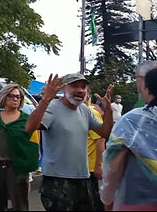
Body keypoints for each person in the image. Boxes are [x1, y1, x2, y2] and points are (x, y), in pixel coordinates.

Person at [26, 73, 114, 211]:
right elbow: (30, 127)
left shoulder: (85, 110)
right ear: (63, 88)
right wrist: (45, 100)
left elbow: (105, 133)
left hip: (83, 178)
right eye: (74, 86)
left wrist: (108, 111)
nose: (80, 90)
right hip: (57, 180)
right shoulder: (52, 107)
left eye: (83, 87)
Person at [101, 68, 157, 211]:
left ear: (146, 88)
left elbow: (113, 165)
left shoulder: (132, 121)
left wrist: (107, 198)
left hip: (136, 202)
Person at [0, 83, 40, 211]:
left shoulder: (26, 120)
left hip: (17, 168)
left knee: (20, 204)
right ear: (4, 97)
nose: (16, 99)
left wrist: (30, 165)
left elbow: (34, 145)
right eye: (12, 96)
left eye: (19, 97)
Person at [85, 92, 105, 211]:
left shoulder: (91, 113)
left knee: (92, 202)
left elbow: (100, 139)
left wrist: (99, 165)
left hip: (90, 167)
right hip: (78, 167)